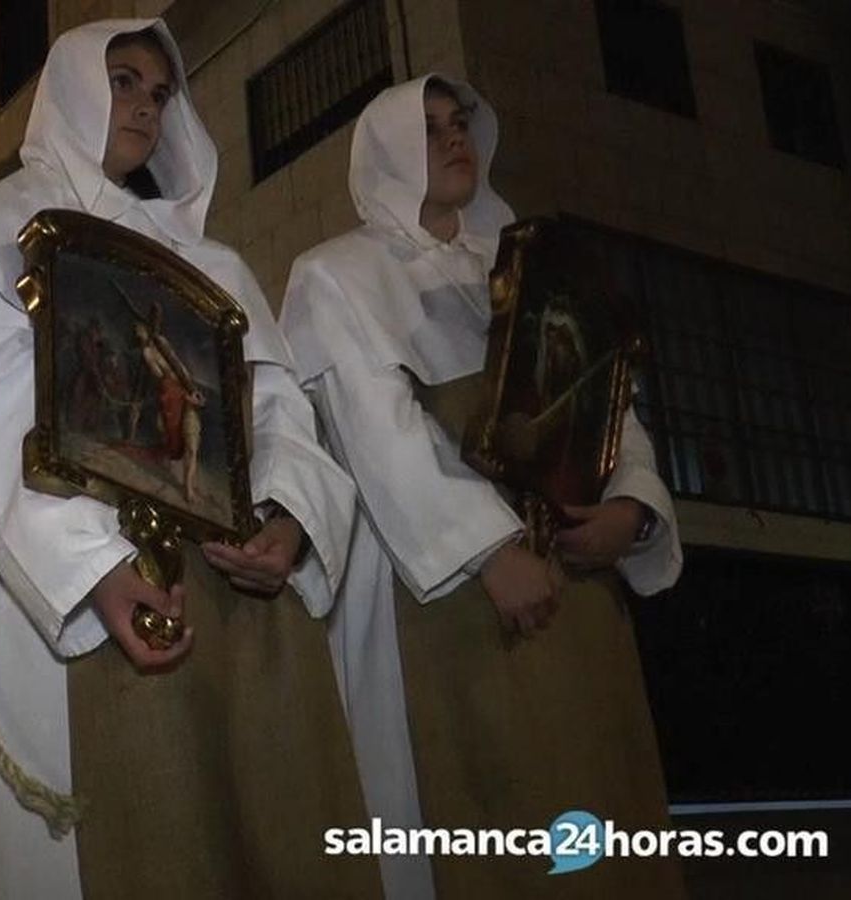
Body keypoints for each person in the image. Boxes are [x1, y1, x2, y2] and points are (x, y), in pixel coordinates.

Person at [0, 20, 379, 898]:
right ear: (70, 85)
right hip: (96, 591)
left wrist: (293, 515)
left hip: (236, 597)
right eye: (123, 80)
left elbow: (276, 407)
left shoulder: (213, 260)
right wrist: (95, 568)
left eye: (160, 93)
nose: (146, 106)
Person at [279, 74, 686, 899]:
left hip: (576, 585)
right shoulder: (337, 275)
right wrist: (493, 554)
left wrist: (632, 509)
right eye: (428, 130)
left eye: (459, 123)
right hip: (449, 595)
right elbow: (379, 431)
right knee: (493, 821)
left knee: (603, 818)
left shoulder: (526, 263)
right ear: (388, 152)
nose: (455, 138)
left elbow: (609, 400)